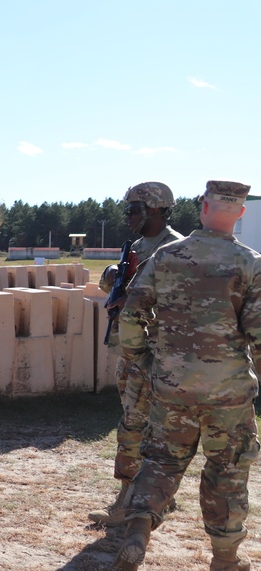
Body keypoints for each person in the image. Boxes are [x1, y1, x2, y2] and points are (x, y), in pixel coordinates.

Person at [108, 181, 260, 571]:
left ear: (204, 207)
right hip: (228, 393)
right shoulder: (250, 263)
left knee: (161, 463)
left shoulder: (166, 256)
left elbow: (130, 316)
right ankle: (225, 561)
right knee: (226, 470)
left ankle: (138, 533)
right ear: (241, 214)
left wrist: (143, 359)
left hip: (171, 387)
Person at [89, 182, 185, 525]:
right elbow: (113, 288)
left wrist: (133, 299)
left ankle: (128, 502)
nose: (127, 217)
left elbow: (182, 303)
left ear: (156, 210)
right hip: (131, 349)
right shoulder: (139, 246)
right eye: (127, 210)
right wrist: (113, 275)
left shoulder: (175, 248)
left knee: (135, 425)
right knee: (142, 425)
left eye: (134, 211)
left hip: (156, 353)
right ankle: (153, 495)